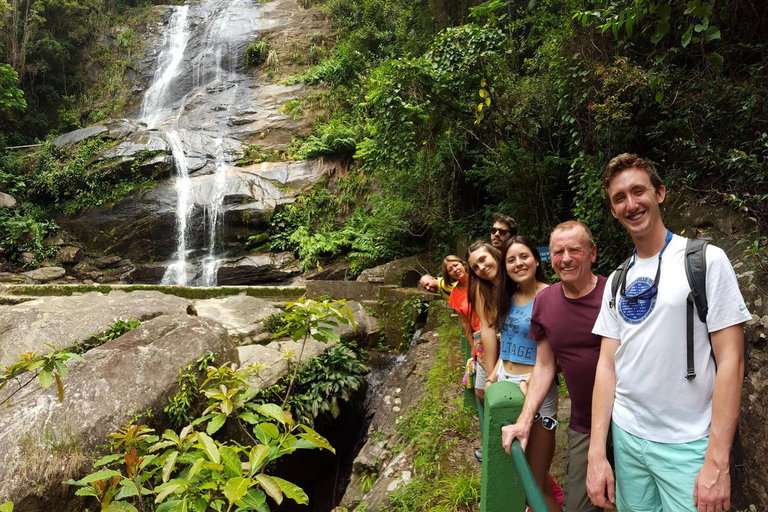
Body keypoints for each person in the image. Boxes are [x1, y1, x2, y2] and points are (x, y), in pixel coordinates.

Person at [588, 153, 751, 512]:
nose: (631, 204)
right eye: (619, 198)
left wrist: (717, 461)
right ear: (614, 211)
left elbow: (731, 360)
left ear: (659, 193)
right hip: (628, 438)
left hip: (689, 443)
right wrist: (597, 454)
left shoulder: (706, 260)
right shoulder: (617, 279)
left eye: (638, 191)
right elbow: (607, 365)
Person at [501, 221, 606, 512]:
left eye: (575, 249)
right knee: (577, 506)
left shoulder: (613, 293)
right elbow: (545, 366)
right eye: (558, 251)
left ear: (592, 253)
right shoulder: (545, 301)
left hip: (630, 420)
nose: (566, 257)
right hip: (584, 422)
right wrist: (524, 421)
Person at [485, 236, 562, 512]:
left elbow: (560, 348)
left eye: (524, 256)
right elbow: (504, 340)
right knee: (515, 472)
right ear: (505, 267)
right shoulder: (506, 297)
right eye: (511, 259)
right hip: (505, 380)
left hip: (535, 388)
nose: (519, 263)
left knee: (536, 484)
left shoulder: (552, 295)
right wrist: (493, 374)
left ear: (536, 258)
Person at [419, 212, 517, 293]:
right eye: (493, 230)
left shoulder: (518, 260)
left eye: (502, 231)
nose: (496, 234)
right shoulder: (481, 276)